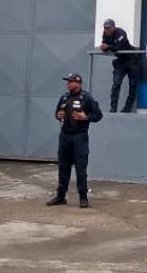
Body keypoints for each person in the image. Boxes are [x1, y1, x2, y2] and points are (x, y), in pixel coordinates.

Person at [46, 73, 103, 208]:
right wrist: (58, 115)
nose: (69, 84)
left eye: (71, 81)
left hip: (80, 137)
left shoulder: (87, 98)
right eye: (68, 81)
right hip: (65, 136)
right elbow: (57, 113)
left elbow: (98, 115)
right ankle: (60, 196)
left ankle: (83, 198)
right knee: (63, 167)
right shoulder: (64, 97)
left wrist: (86, 117)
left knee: (80, 169)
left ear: (78, 83)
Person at [100, 18, 140, 113]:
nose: (106, 30)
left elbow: (118, 47)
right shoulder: (105, 33)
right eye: (105, 28)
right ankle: (113, 109)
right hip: (120, 61)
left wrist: (108, 47)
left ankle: (127, 108)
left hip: (131, 60)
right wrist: (104, 48)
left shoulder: (121, 32)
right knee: (116, 84)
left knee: (132, 85)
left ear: (113, 27)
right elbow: (105, 46)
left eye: (108, 28)